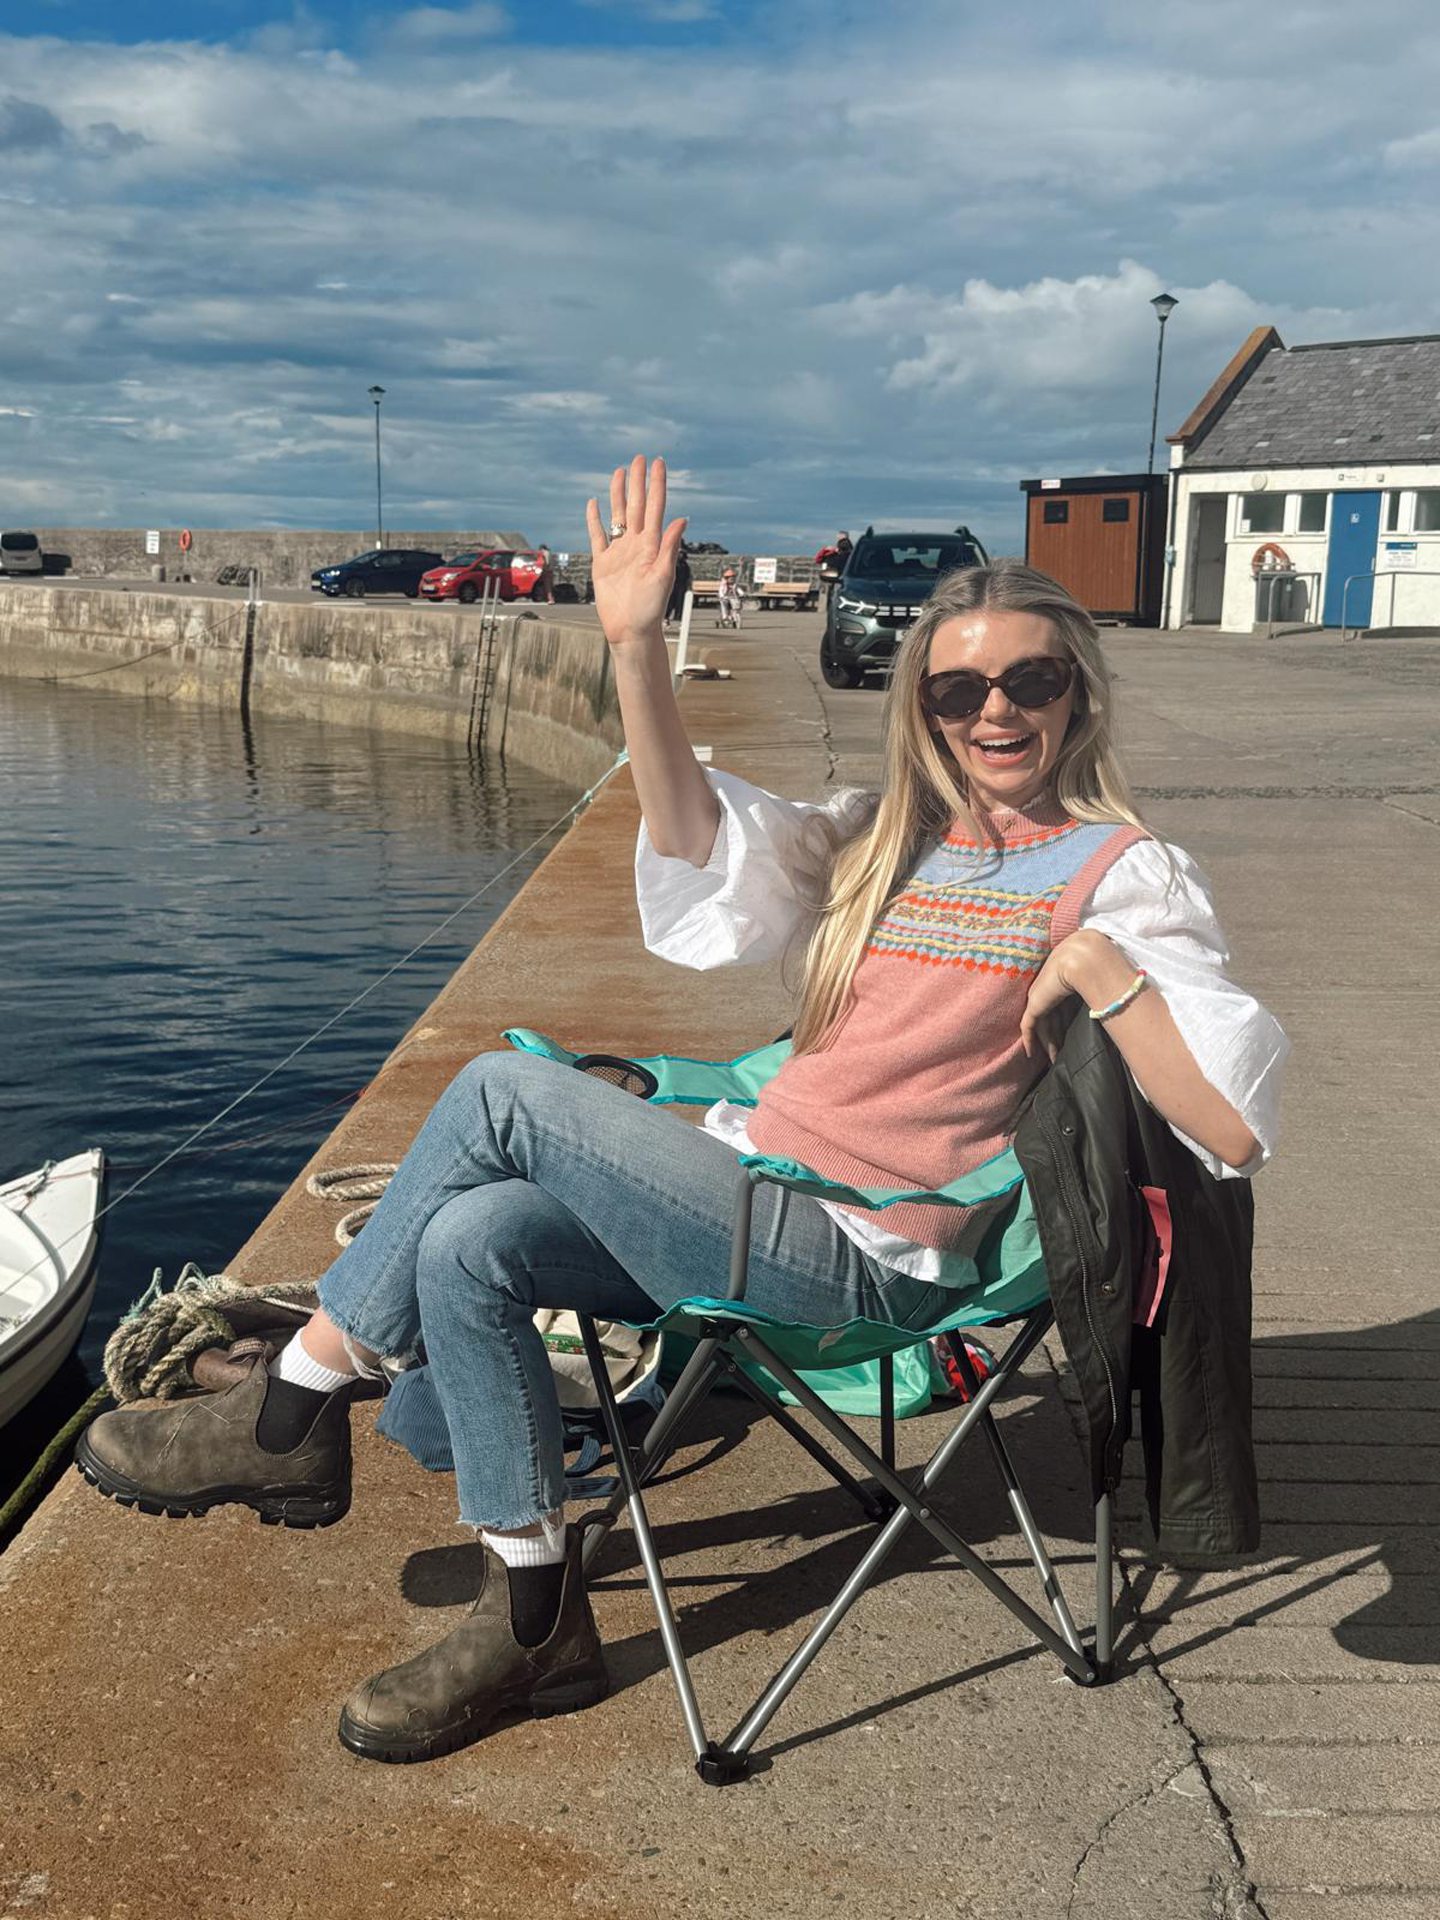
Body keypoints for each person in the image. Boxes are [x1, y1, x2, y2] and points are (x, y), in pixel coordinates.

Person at [76, 454, 1287, 1765]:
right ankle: (537, 1612)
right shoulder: (885, 837)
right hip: (747, 1196)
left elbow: (1223, 1125)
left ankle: (292, 1409)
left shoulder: (1125, 872)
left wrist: (1101, 972)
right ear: (919, 705)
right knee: (464, 1241)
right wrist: (637, 646)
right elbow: (704, 843)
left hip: (873, 1256)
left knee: (497, 1090)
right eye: (957, 686)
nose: (994, 711)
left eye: (1031, 680)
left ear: (1079, 696)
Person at [664, 540, 693, 627]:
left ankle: (679, 618)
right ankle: (666, 617)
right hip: (673, 585)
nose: (681, 555)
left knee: (680, 602)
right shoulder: (673, 564)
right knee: (670, 602)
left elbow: (688, 576)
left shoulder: (685, 565)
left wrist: (689, 585)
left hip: (682, 585)